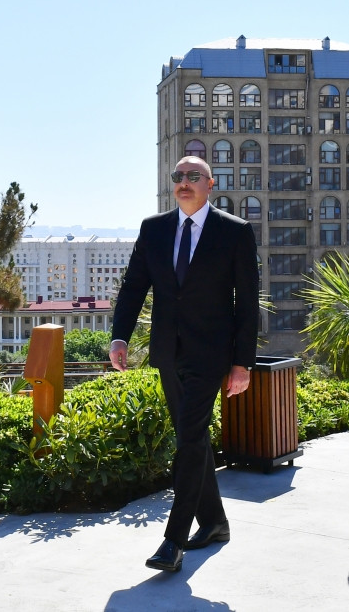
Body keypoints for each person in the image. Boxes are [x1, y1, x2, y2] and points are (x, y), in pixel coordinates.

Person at [109, 155, 259, 573]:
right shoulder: (153, 229)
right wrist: (119, 336)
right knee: (192, 439)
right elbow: (134, 286)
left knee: (190, 438)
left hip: (211, 355)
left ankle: (172, 541)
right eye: (178, 176)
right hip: (167, 352)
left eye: (194, 176)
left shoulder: (235, 232)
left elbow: (247, 303)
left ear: (211, 185)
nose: (184, 182)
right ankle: (214, 522)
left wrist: (242, 363)